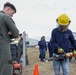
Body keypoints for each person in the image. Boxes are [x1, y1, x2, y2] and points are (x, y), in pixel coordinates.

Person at [0, 2, 19, 75]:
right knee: (5, 66)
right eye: (12, 13)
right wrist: (9, 34)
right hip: (3, 46)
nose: (12, 15)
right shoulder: (5, 17)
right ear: (8, 9)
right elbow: (16, 33)